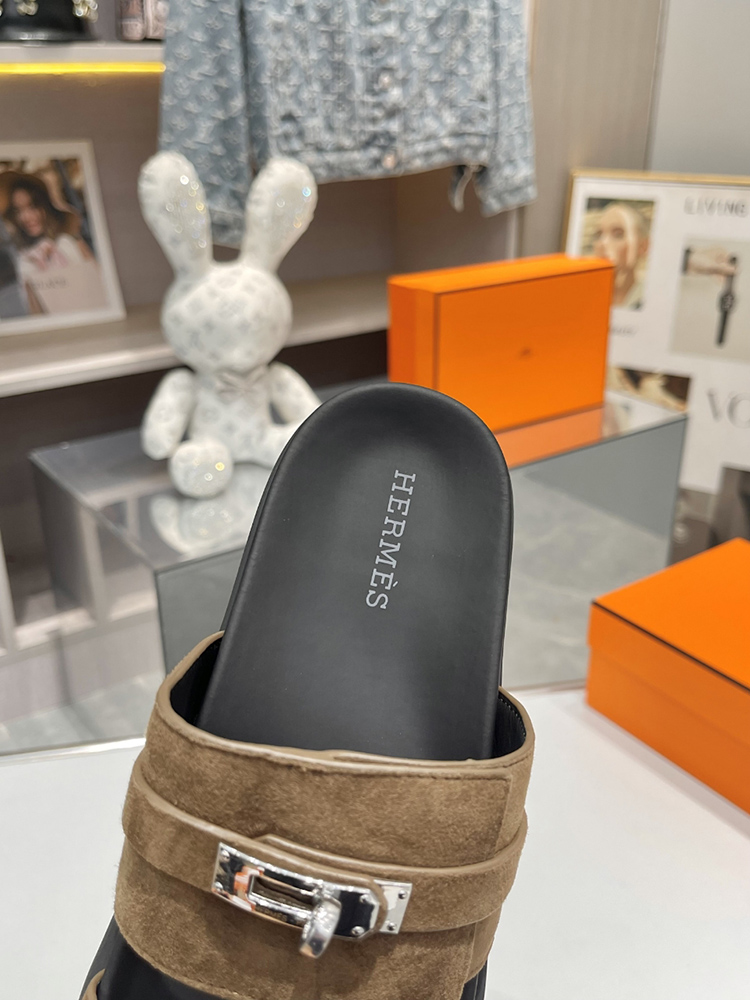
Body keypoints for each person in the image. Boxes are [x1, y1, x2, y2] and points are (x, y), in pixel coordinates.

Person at [591, 201, 650, 309]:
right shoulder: (586, 296)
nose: (602, 243)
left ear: (643, 246)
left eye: (618, 234)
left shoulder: (650, 298)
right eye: (598, 235)